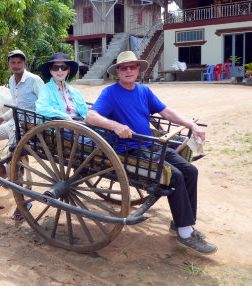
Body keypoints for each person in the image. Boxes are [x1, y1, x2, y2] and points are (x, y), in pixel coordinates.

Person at [85, 51, 218, 255]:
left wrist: (191, 124)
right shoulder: (110, 93)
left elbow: (166, 112)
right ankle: (185, 234)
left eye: (132, 67)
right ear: (118, 72)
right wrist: (115, 126)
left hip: (151, 145)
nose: (128, 71)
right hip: (129, 149)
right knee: (175, 176)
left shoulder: (143, 91)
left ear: (138, 69)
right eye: (124, 68)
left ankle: (183, 224)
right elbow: (90, 117)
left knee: (190, 170)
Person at [0, 50, 44, 219]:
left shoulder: (34, 80)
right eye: (12, 63)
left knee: (13, 162)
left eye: (19, 63)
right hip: (13, 122)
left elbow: (45, 104)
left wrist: (37, 123)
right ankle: (1, 173)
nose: (16, 66)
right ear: (9, 64)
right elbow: (15, 106)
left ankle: (23, 203)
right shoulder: (11, 80)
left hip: (29, 126)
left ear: (24, 64)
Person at [36, 52, 88, 120]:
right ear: (50, 71)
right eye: (55, 68)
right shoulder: (45, 89)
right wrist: (65, 116)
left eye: (63, 67)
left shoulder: (75, 92)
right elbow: (41, 108)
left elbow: (85, 112)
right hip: (58, 127)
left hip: (79, 125)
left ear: (68, 70)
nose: (60, 70)